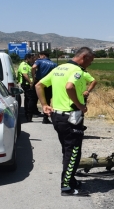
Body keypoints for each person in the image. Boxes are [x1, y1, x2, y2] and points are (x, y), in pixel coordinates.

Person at [36, 47, 97, 197]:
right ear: (83, 57)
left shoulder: (59, 68)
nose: (90, 64)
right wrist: (80, 105)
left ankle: (71, 179)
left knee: (67, 148)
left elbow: (39, 85)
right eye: (90, 61)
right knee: (73, 151)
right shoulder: (78, 71)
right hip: (71, 117)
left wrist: (44, 105)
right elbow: (69, 86)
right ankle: (66, 187)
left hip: (57, 116)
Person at [31, 51, 58, 124]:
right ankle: (45, 118)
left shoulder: (39, 61)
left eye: (39, 56)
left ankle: (31, 115)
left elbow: (33, 67)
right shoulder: (54, 64)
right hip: (49, 83)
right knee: (47, 100)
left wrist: (33, 76)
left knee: (34, 98)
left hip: (39, 81)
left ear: (42, 55)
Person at [17, 53, 37, 121]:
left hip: (29, 84)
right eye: (31, 58)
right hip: (27, 84)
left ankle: (28, 114)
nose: (33, 60)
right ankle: (29, 115)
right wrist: (30, 82)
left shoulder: (29, 65)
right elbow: (25, 75)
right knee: (31, 99)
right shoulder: (24, 65)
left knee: (28, 99)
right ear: (27, 58)